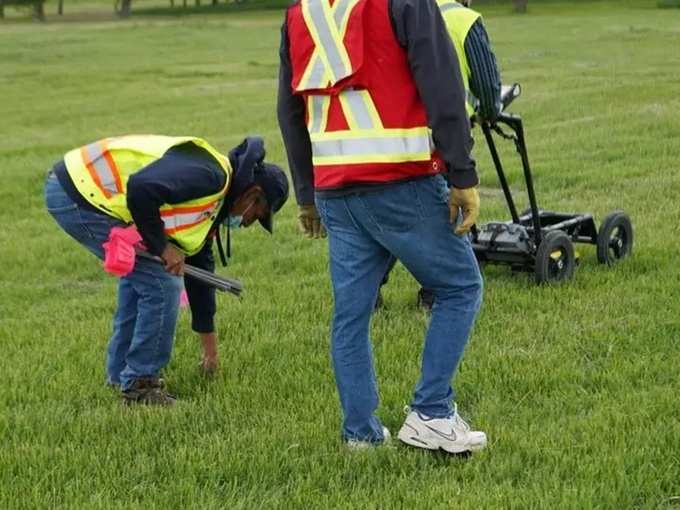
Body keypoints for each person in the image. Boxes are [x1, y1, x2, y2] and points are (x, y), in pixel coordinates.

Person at [278, 0, 485, 452]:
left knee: (351, 315)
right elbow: (443, 85)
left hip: (334, 189)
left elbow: (289, 110)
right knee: (460, 287)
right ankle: (431, 414)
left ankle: (361, 435)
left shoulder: (301, 11)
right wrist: (462, 174)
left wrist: (306, 194)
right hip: (401, 179)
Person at [44, 135, 289, 405]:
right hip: (80, 193)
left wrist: (210, 354)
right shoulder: (212, 176)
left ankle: (120, 374)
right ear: (253, 195)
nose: (248, 223)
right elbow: (141, 187)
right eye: (257, 215)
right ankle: (141, 386)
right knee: (161, 284)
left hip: (76, 186)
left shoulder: (210, 210)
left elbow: (201, 282)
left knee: (141, 280)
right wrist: (162, 247)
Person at [379, 0, 502, 312]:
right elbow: (487, 86)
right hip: (446, 134)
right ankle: (436, 291)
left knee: (391, 215)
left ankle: (371, 290)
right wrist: (490, 111)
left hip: (397, 133)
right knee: (444, 214)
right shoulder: (464, 19)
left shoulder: (395, 10)